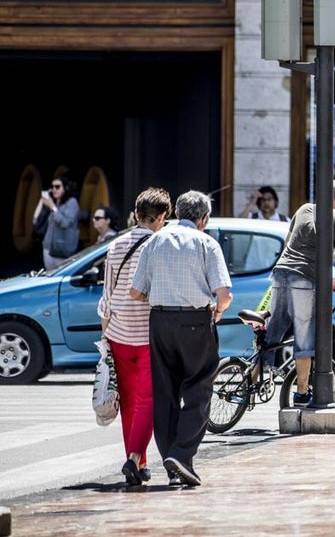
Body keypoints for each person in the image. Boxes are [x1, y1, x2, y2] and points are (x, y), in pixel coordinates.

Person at [129, 190, 232, 487]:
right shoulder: (207, 243)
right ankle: (181, 455)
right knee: (199, 389)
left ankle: (172, 461)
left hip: (160, 320)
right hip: (195, 322)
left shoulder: (155, 240)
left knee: (165, 392)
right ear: (204, 219)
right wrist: (218, 309)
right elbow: (224, 295)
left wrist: (160, 296)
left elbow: (136, 291)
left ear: (176, 214)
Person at [97, 187, 171, 486]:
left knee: (128, 400)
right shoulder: (161, 244)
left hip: (117, 332)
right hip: (147, 333)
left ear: (136, 214)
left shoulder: (115, 246)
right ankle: (135, 457)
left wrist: (105, 339)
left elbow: (107, 294)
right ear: (163, 216)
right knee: (149, 399)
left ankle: (136, 462)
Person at [270, 179, 335, 402]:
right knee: (305, 337)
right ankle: (301, 392)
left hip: (280, 272)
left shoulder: (303, 209)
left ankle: (251, 380)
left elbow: (288, 243)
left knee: (274, 328)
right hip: (305, 278)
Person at [35, 176, 80, 269]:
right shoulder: (55, 203)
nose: (54, 189)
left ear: (65, 188)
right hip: (48, 247)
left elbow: (65, 223)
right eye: (52, 187)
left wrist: (52, 207)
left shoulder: (72, 202)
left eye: (57, 187)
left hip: (62, 249)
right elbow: (35, 219)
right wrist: (42, 200)